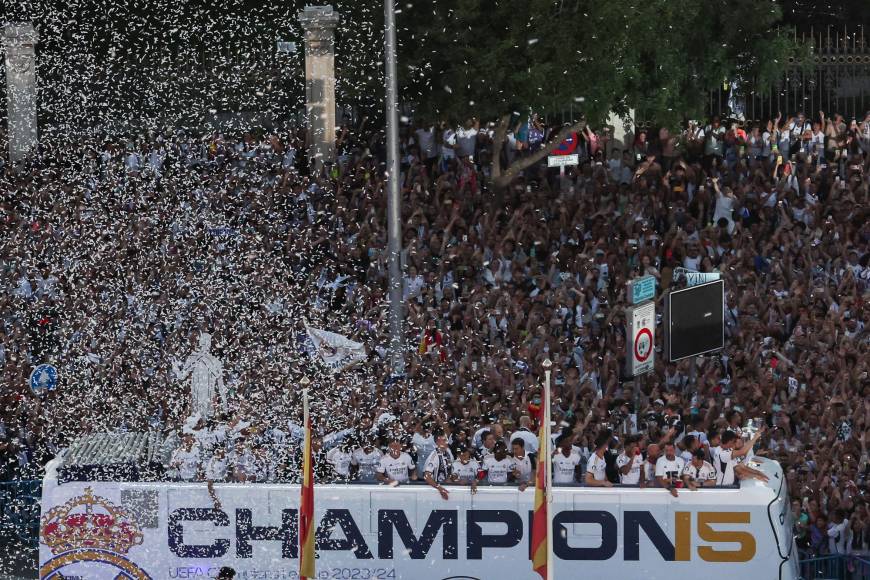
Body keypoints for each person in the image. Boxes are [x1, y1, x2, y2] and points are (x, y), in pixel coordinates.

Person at [423, 432, 454, 500]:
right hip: (435, 491)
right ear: (437, 442)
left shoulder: (448, 452)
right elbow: (426, 476)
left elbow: (450, 470)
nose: (446, 442)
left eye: (446, 440)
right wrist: (440, 488)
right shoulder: (434, 456)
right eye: (444, 440)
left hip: (447, 488)